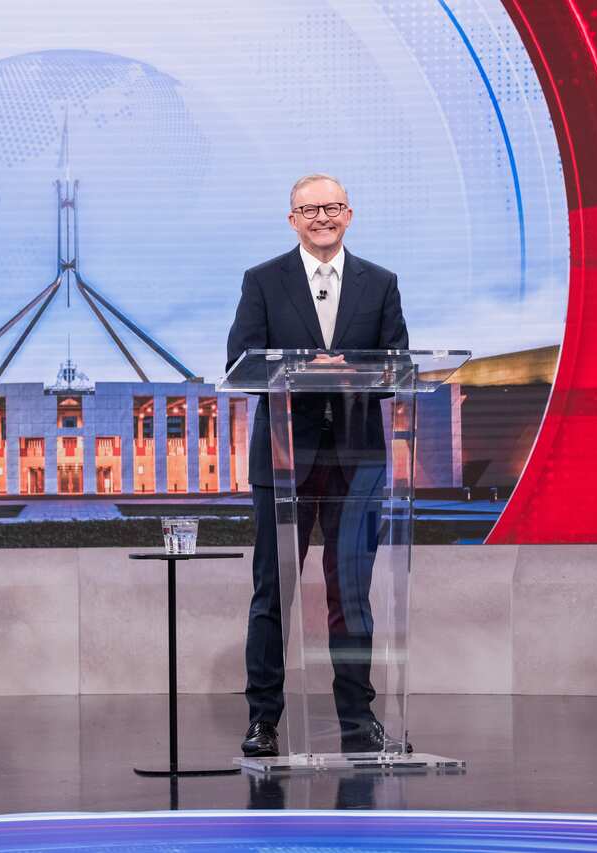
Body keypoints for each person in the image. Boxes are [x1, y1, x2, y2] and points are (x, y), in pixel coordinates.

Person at [225, 173, 408, 757]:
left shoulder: (380, 283)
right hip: (283, 459)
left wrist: (348, 371)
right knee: (272, 594)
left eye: (332, 208)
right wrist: (306, 367)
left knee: (350, 592)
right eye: (310, 210)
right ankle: (263, 720)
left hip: (356, 460)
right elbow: (241, 363)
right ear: (292, 220)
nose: (322, 218)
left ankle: (359, 719)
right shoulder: (262, 281)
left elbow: (398, 366)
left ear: (349, 215)